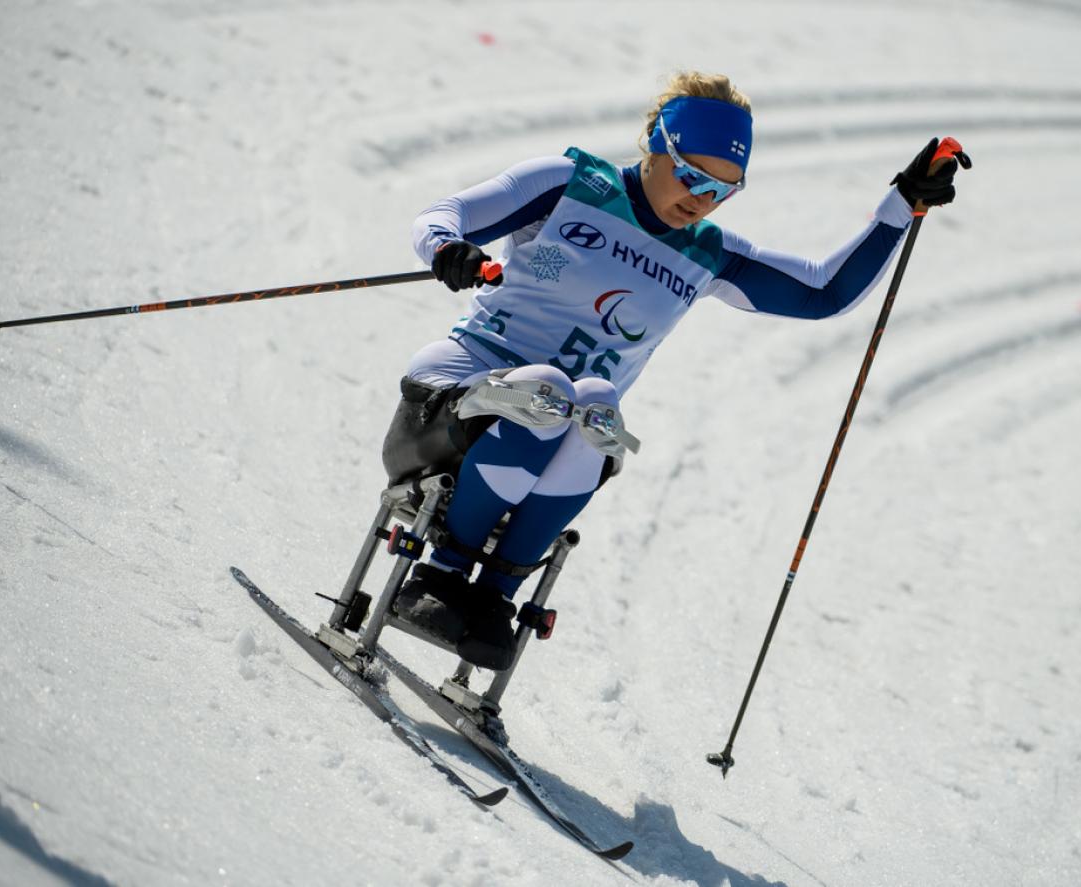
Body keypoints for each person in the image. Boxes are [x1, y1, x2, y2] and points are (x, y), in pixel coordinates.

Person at [381, 71, 969, 672]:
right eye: (690, 176)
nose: (702, 199)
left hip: (559, 419)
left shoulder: (707, 252)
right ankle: (440, 577)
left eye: (724, 189)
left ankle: (493, 599)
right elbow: (443, 214)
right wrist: (449, 248)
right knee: (554, 393)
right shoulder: (571, 184)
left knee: (596, 409)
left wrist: (902, 203)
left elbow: (823, 291)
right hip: (453, 397)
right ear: (656, 147)